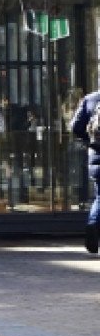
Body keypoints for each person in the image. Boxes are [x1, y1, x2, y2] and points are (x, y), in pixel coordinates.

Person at [71, 86, 100, 254]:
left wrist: (90, 141)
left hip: (96, 156)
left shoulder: (90, 99)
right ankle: (93, 225)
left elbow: (75, 127)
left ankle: (92, 225)